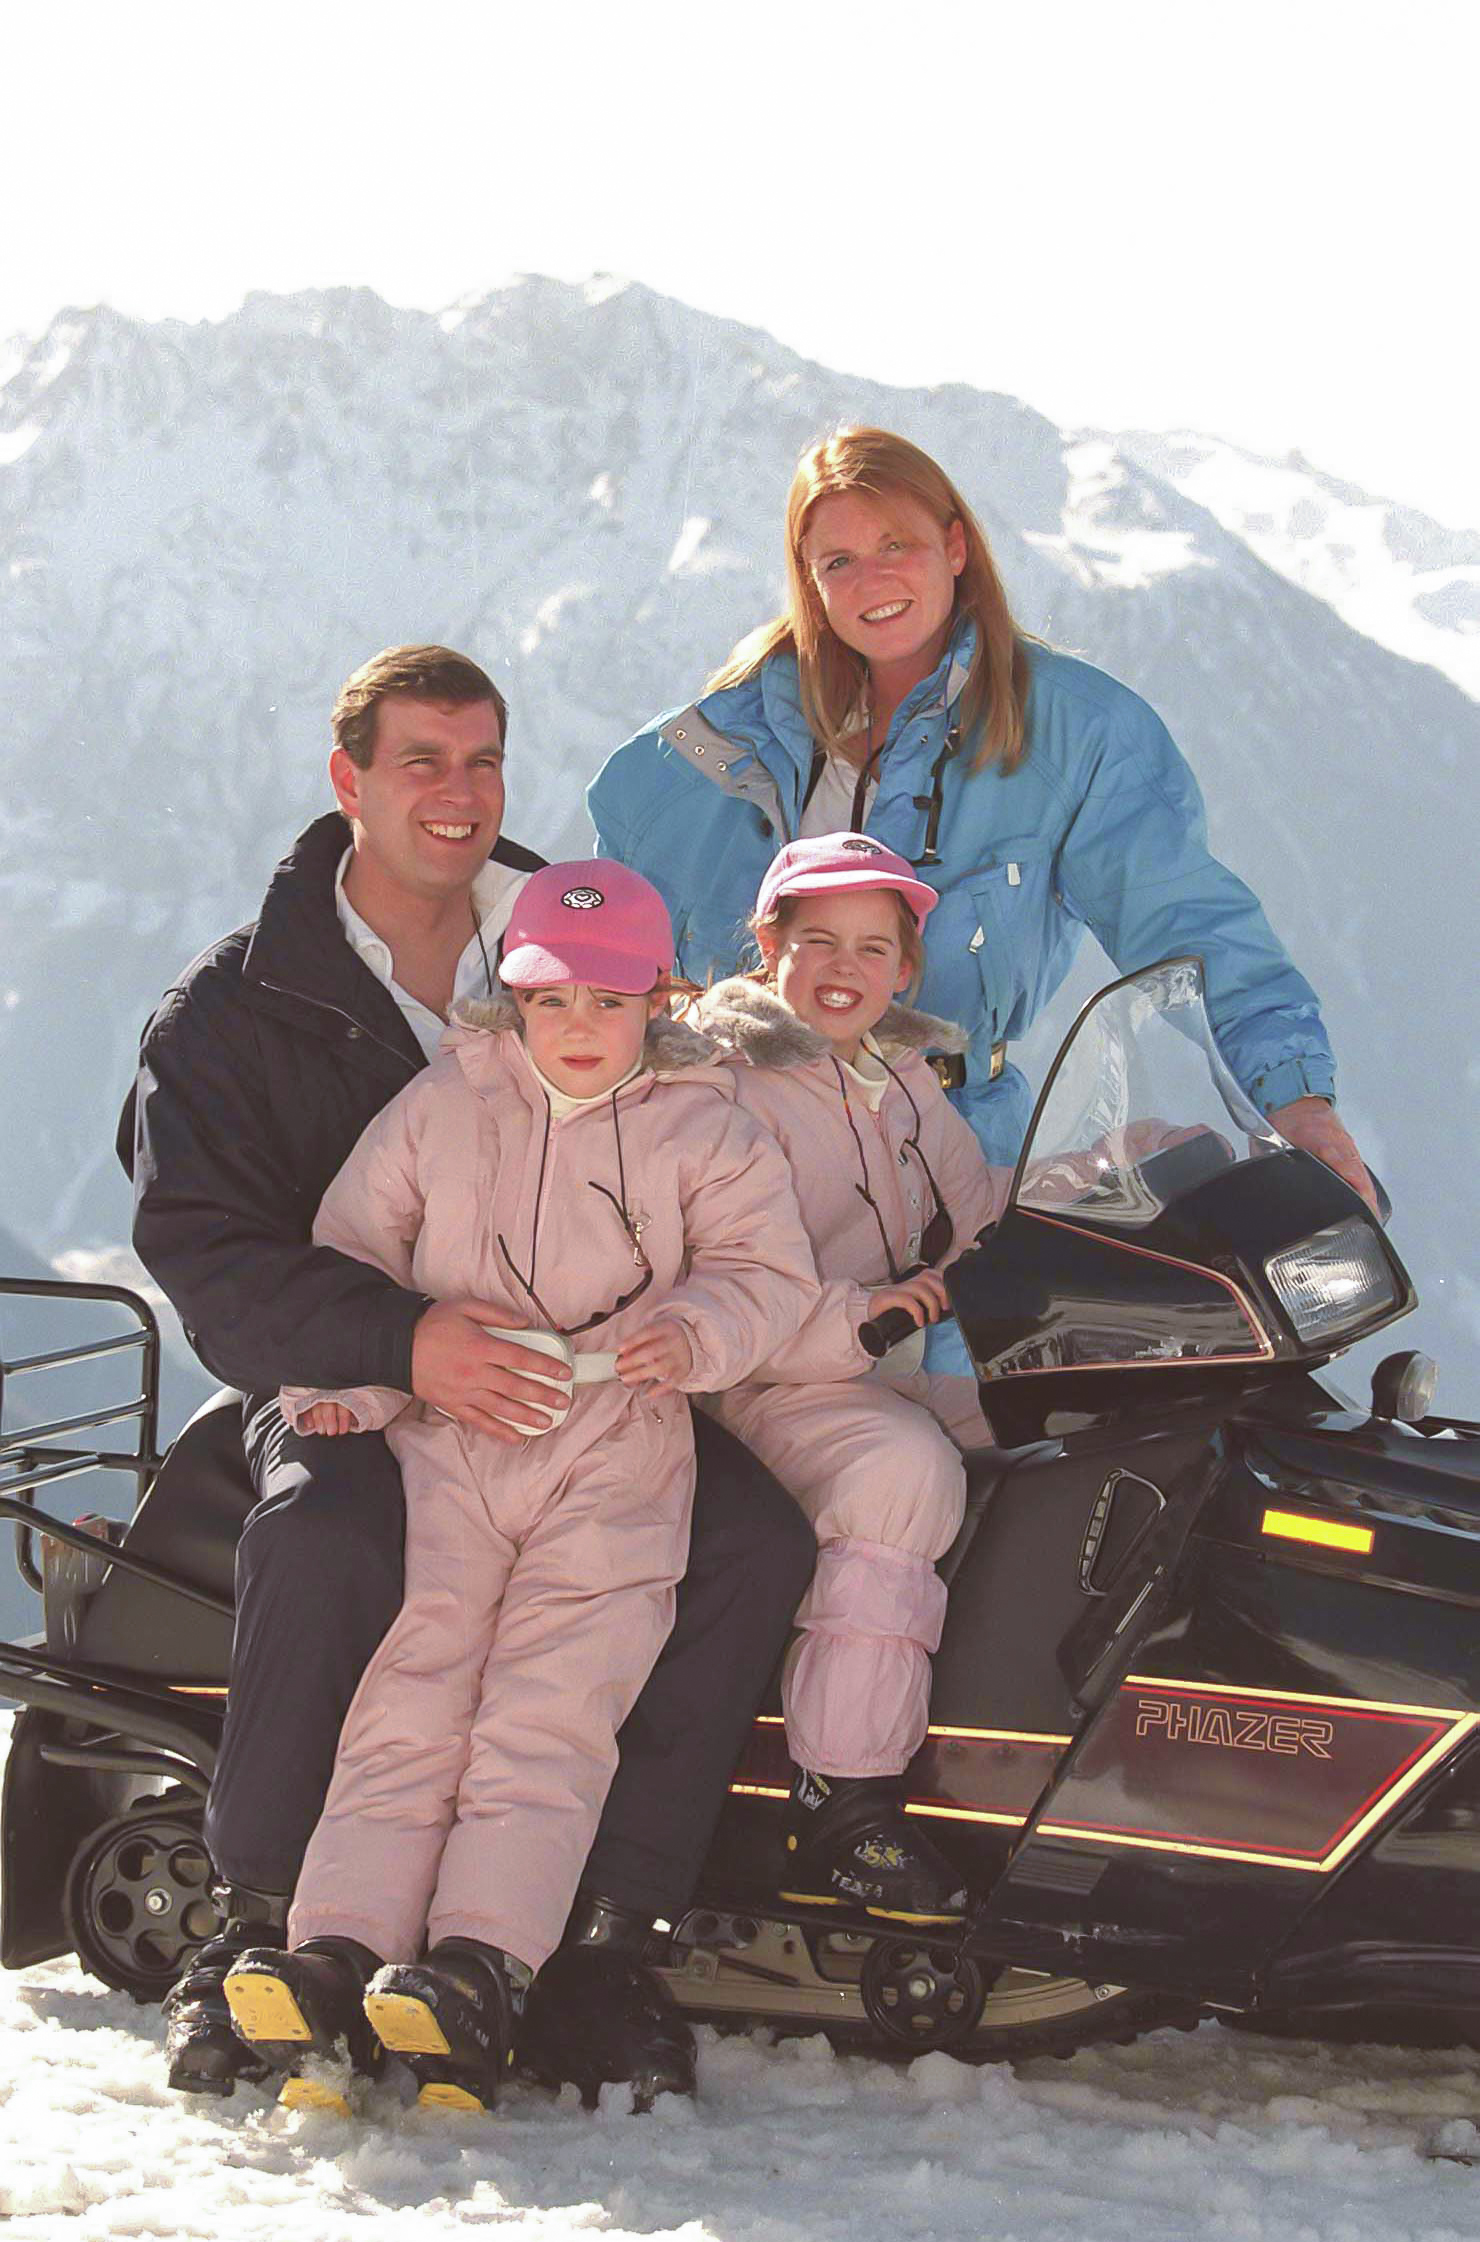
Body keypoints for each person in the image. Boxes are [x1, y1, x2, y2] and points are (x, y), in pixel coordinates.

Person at [119, 645, 818, 2107]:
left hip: (595, 1394)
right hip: (349, 1368)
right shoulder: (238, 1004)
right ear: (350, 780)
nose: (458, 791)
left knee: (753, 1537)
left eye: (482, 759)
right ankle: (264, 1922)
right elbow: (208, 1255)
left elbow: (716, 1156)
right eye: (421, 760)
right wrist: (399, 1344)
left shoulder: (573, 933)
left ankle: (598, 1941)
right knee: (334, 1530)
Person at [587, 425, 1377, 1381]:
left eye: (898, 545)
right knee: (745, 1432)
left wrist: (1295, 1100)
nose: (874, 579)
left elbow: (1188, 925)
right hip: (745, 1172)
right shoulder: (705, 752)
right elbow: (602, 961)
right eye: (839, 560)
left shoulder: (1072, 731)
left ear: (955, 546)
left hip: (955, 1157)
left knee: (977, 1438)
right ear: (807, 578)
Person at [694, 834, 1005, 1925]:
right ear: (767, 942)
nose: (844, 967)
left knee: (1032, 1438)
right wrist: (867, 1318)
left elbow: (982, 1202)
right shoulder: (723, 1079)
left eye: (873, 947)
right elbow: (726, 1290)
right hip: (746, 1382)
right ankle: (841, 1797)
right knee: (900, 1475)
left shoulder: (894, 1072)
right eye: (817, 938)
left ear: (904, 967)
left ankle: (1005, 1747)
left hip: (853, 1365)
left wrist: (1129, 1178)